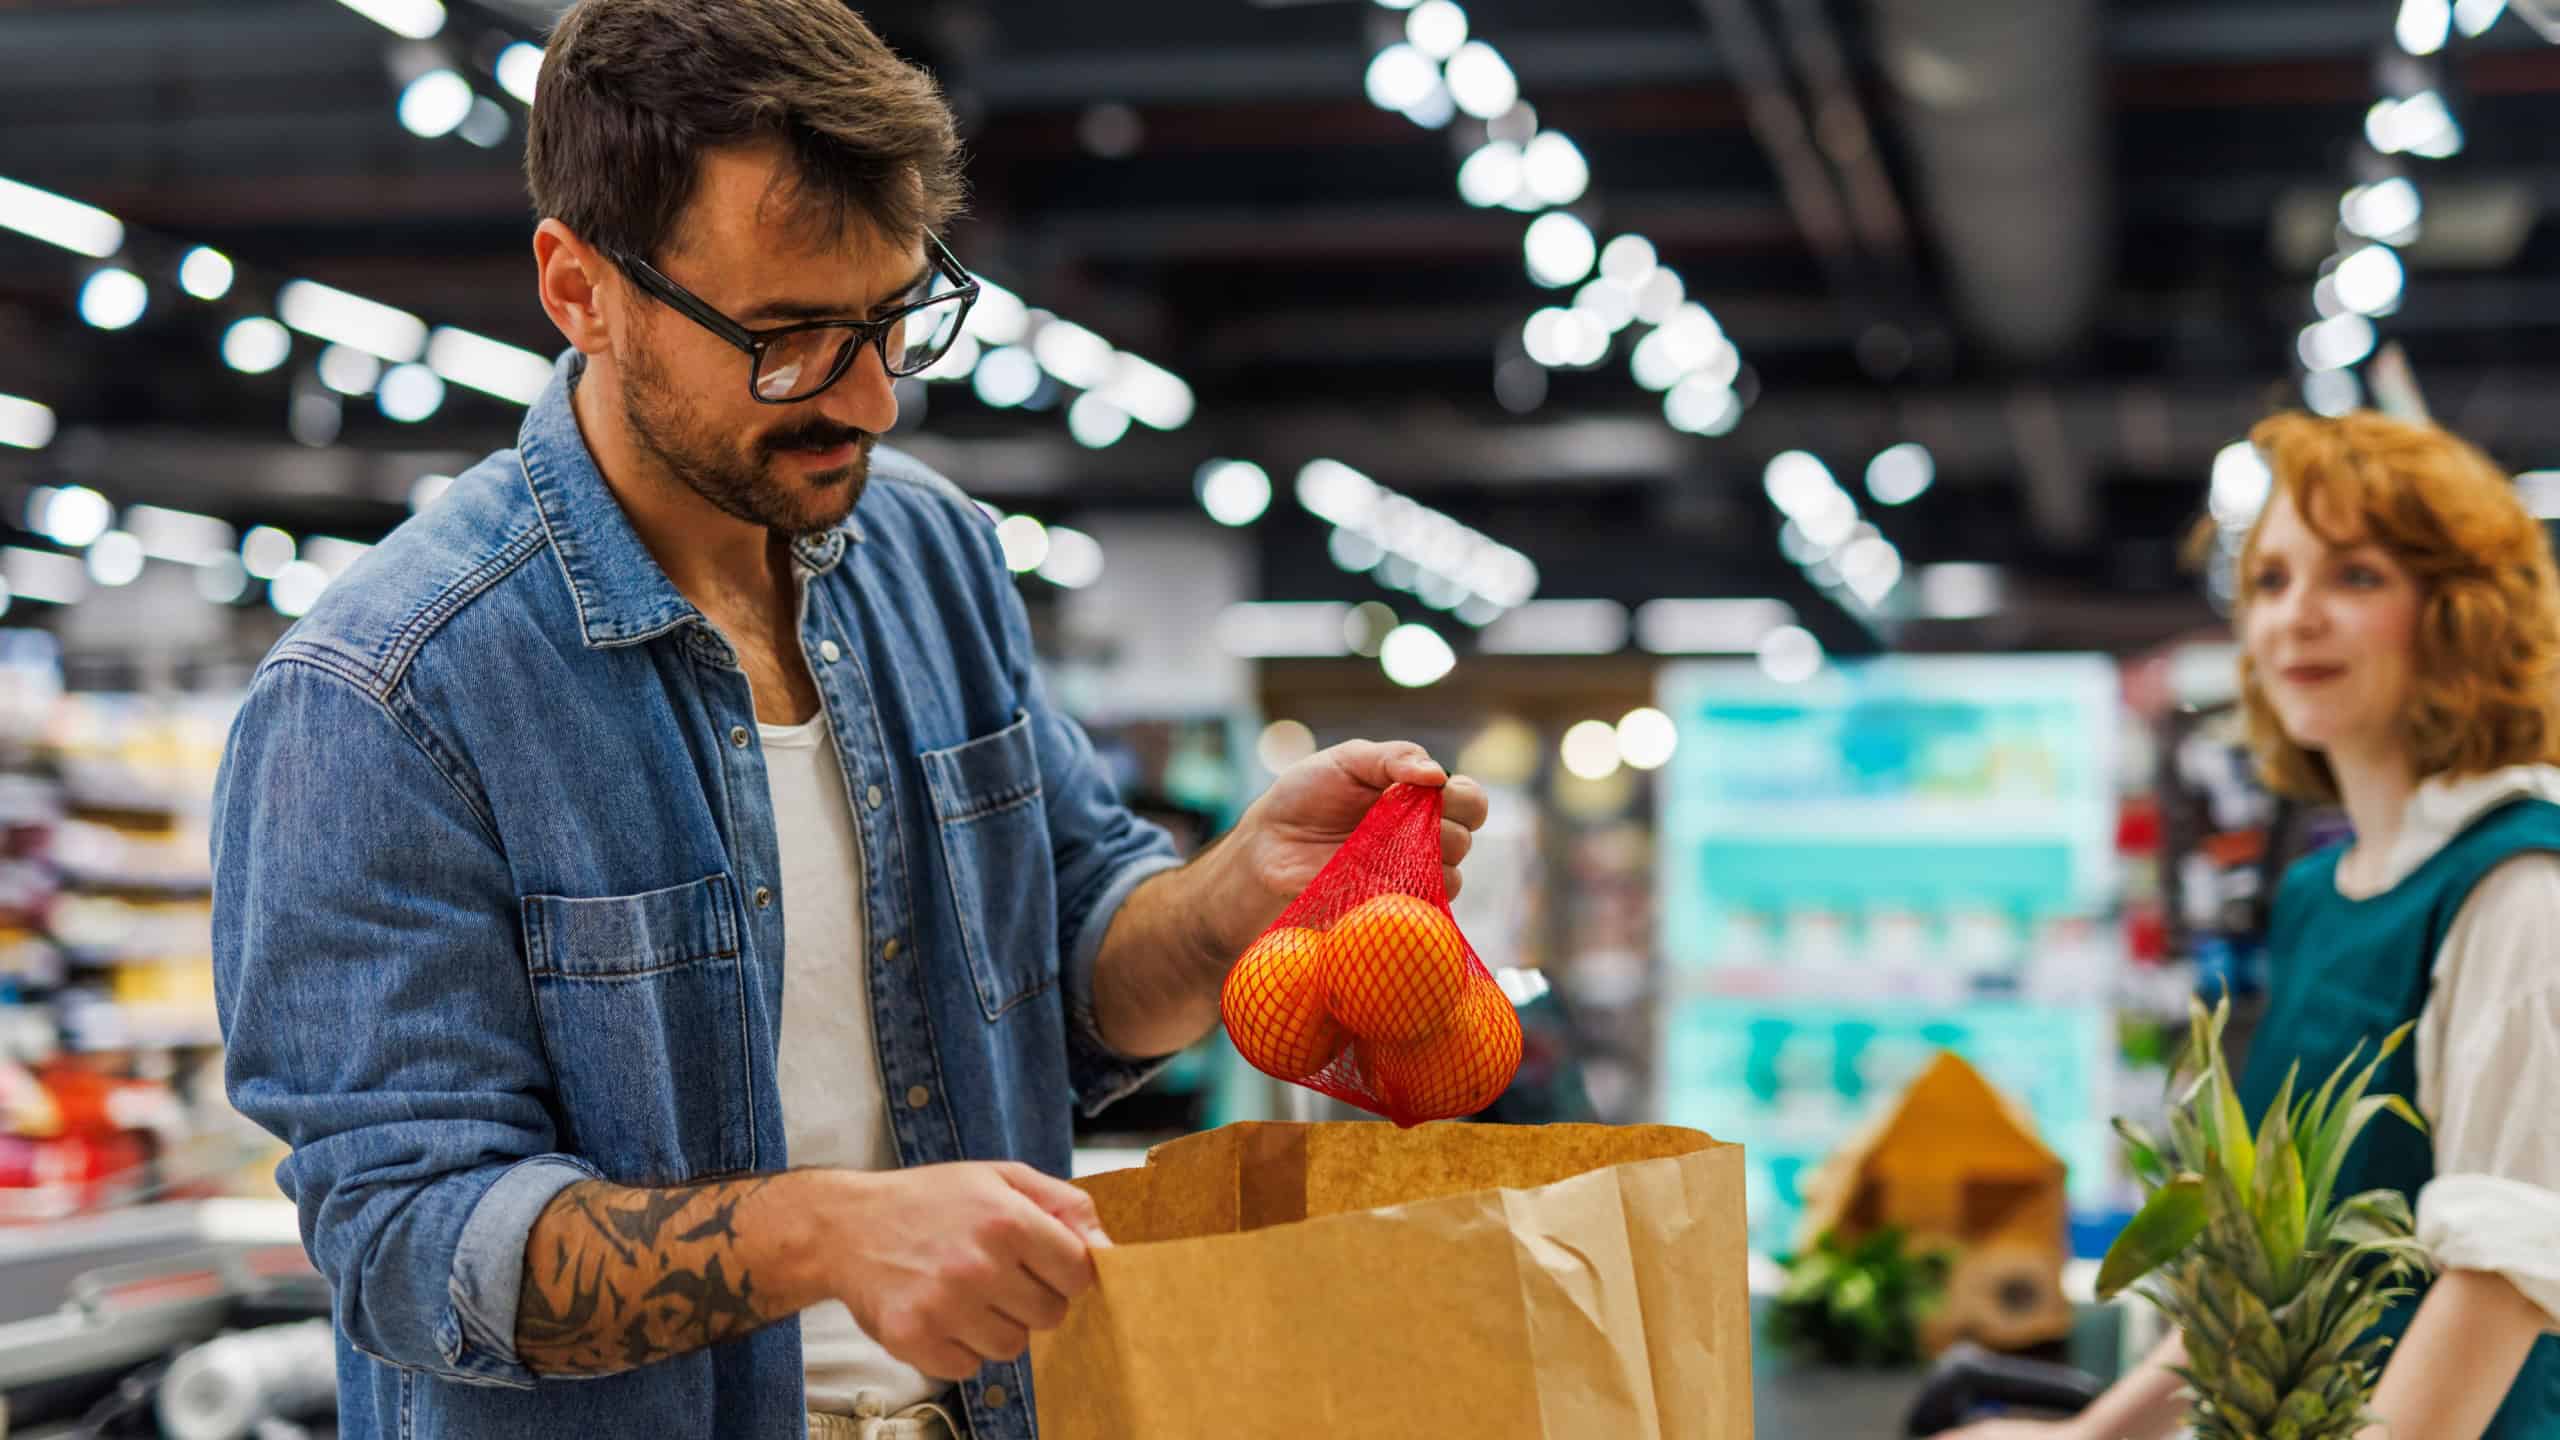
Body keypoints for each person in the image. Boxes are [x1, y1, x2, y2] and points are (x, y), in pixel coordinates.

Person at [207, 3, 1489, 1437]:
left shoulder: (927, 559)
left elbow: (1064, 978)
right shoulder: (388, 697)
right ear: (582, 291)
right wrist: (826, 1238)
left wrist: (1219, 907)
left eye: (890, 317)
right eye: (789, 338)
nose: (869, 398)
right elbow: (407, 1242)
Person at [1946, 410, 2560, 1438]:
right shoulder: (2320, 894)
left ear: (2461, 612)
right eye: (2270, 581)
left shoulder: (2517, 883)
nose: (2293, 618)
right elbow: (2269, 1268)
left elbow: (2497, 1281)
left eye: (2354, 577)